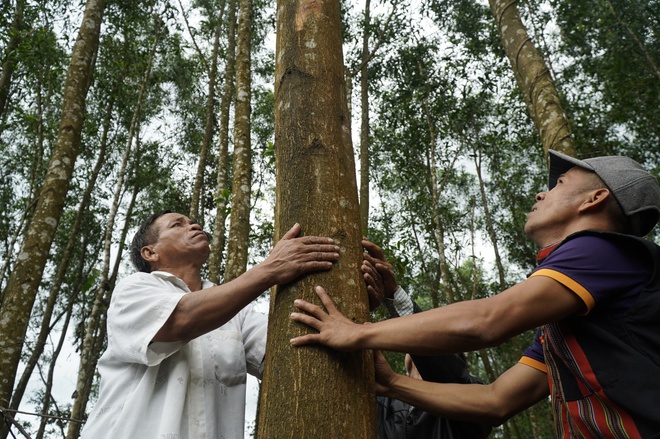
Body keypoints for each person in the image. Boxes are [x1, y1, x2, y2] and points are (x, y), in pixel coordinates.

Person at [291, 150, 660, 437]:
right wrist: (392, 385)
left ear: (593, 199)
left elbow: (485, 322)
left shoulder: (604, 251)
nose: (542, 192)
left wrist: (357, 333)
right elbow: (496, 400)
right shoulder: (563, 329)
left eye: (560, 183)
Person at [80, 210, 340, 439]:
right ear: (150, 252)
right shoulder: (134, 288)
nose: (193, 226)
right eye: (177, 225)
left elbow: (293, 349)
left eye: (192, 222)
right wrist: (270, 269)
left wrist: (359, 305)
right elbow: (179, 320)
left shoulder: (238, 314)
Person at [363, 241, 491, 439]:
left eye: (436, 337)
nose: (422, 338)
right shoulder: (380, 401)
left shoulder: (472, 395)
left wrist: (395, 296)